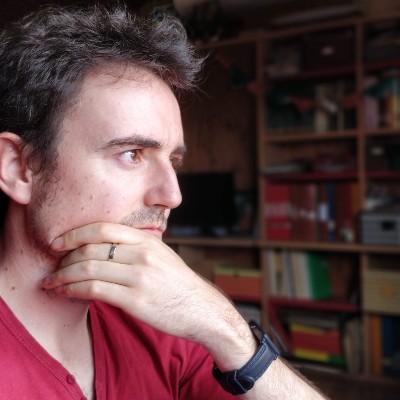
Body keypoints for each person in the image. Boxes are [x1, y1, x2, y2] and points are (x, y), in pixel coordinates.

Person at [0, 4, 328, 400]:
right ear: (19, 169)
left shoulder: (161, 315)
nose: (173, 196)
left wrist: (226, 329)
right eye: (132, 154)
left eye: (173, 160)